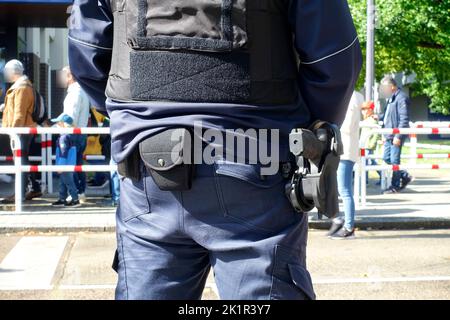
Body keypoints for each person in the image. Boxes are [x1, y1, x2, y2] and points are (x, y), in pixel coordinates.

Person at [69, 0, 362, 300]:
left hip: (147, 170)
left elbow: (86, 54)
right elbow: (335, 61)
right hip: (256, 164)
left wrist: (139, 121)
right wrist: (304, 130)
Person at [1, 59, 42, 204]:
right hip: (22, 130)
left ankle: (20, 193)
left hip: (21, 131)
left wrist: (13, 132)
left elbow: (19, 112)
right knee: (23, 160)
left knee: (21, 161)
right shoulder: (21, 86)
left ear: (13, 72)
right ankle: (33, 187)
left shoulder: (21, 88)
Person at [328, 91, 364, 239]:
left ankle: (348, 227)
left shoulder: (350, 97)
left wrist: (332, 124)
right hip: (344, 149)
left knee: (344, 190)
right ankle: (340, 221)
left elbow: (347, 125)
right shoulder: (355, 96)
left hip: (345, 150)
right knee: (339, 188)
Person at [58, 66, 90, 202]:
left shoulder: (75, 92)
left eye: (63, 75)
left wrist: (60, 123)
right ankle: (76, 193)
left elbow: (71, 117)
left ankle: (76, 193)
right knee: (76, 164)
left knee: (69, 166)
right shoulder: (81, 91)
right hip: (79, 133)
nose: (61, 78)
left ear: (70, 76)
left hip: (72, 133)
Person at [379, 76, 413, 193]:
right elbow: (388, 115)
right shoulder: (392, 98)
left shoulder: (401, 98)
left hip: (396, 135)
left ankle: (395, 186)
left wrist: (398, 136)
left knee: (394, 161)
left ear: (392, 86)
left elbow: (404, 119)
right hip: (389, 134)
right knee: (386, 158)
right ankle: (404, 175)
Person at [51, 114, 80, 207]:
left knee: (68, 182)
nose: (56, 125)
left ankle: (75, 199)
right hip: (69, 164)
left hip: (65, 165)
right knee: (63, 182)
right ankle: (62, 198)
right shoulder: (70, 136)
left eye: (58, 123)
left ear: (64, 125)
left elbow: (64, 153)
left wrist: (61, 166)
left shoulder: (63, 138)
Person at [360, 101, 382, 184]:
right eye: (362, 109)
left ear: (370, 110)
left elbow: (376, 134)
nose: (363, 111)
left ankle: (381, 175)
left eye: (365, 109)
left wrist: (372, 144)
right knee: (366, 162)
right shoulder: (366, 119)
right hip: (364, 145)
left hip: (368, 145)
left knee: (370, 162)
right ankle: (365, 179)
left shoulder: (372, 120)